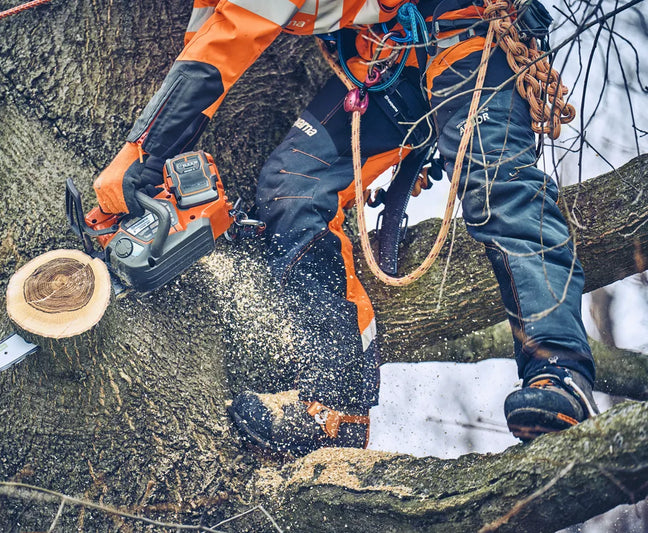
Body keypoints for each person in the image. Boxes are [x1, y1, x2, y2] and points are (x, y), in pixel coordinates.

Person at [93, 0, 598, 455]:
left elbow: (230, 39)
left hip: (470, 31)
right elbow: (210, 37)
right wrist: (156, 149)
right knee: (294, 185)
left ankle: (559, 371)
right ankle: (336, 408)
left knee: (497, 188)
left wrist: (140, 156)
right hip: (390, 57)